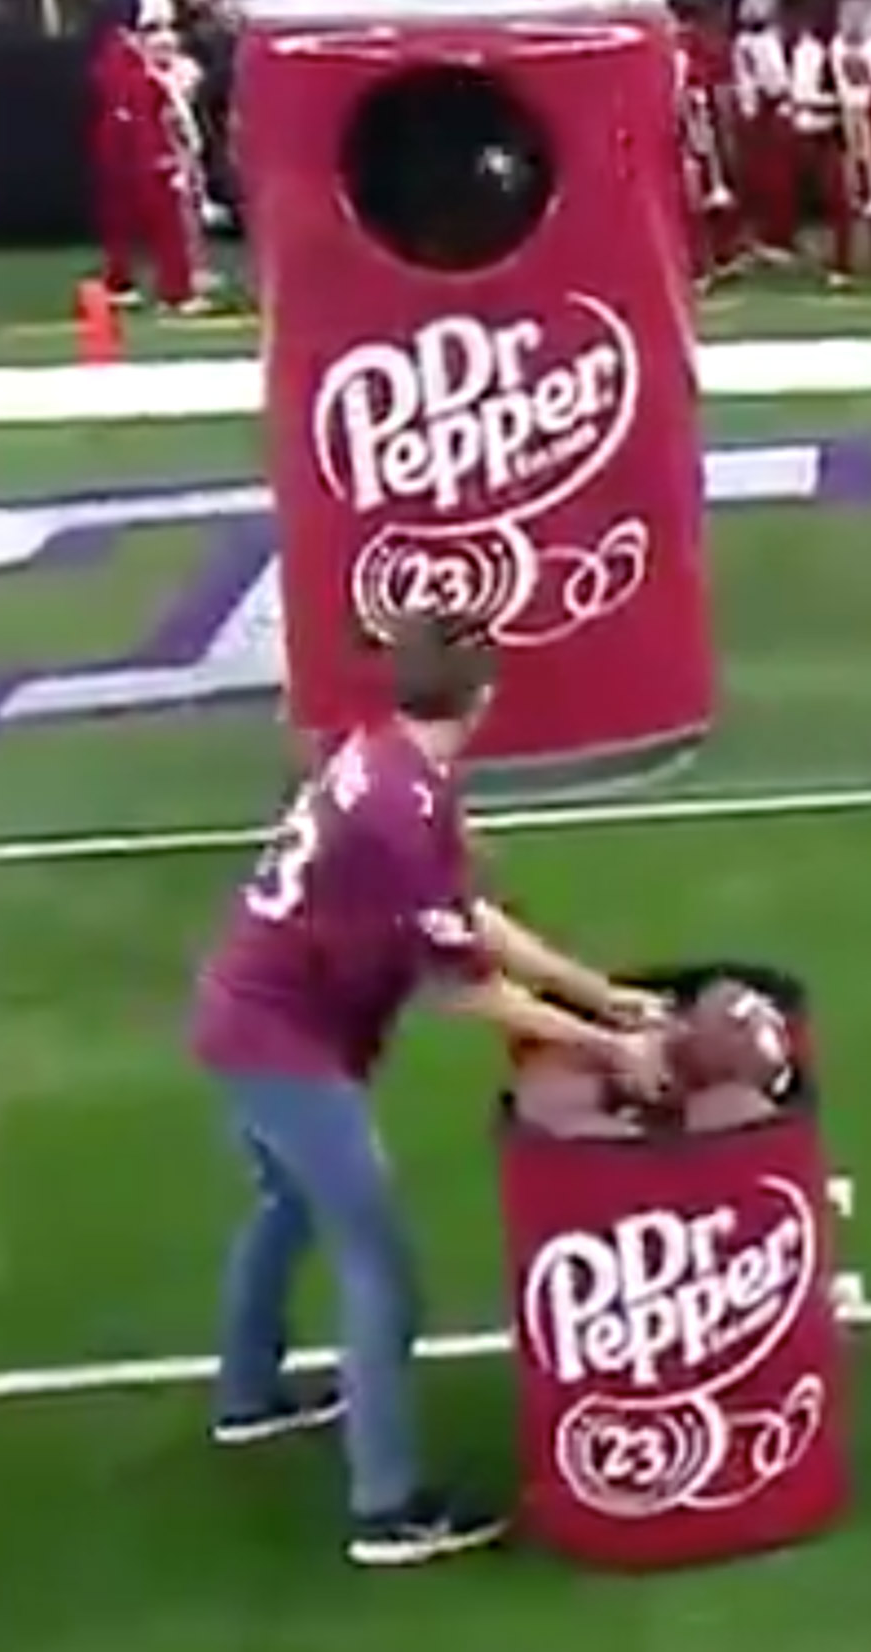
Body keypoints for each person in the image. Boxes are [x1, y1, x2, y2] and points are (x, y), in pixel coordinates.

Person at [190, 613, 673, 1568]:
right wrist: (609, 1047)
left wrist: (601, 995)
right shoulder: (402, 813)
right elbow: (463, 987)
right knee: (384, 1273)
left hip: (241, 1017)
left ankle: (247, 1397)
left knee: (287, 1204)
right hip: (283, 1046)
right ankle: (388, 1506)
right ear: (484, 699)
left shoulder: (386, 764)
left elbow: (474, 923)